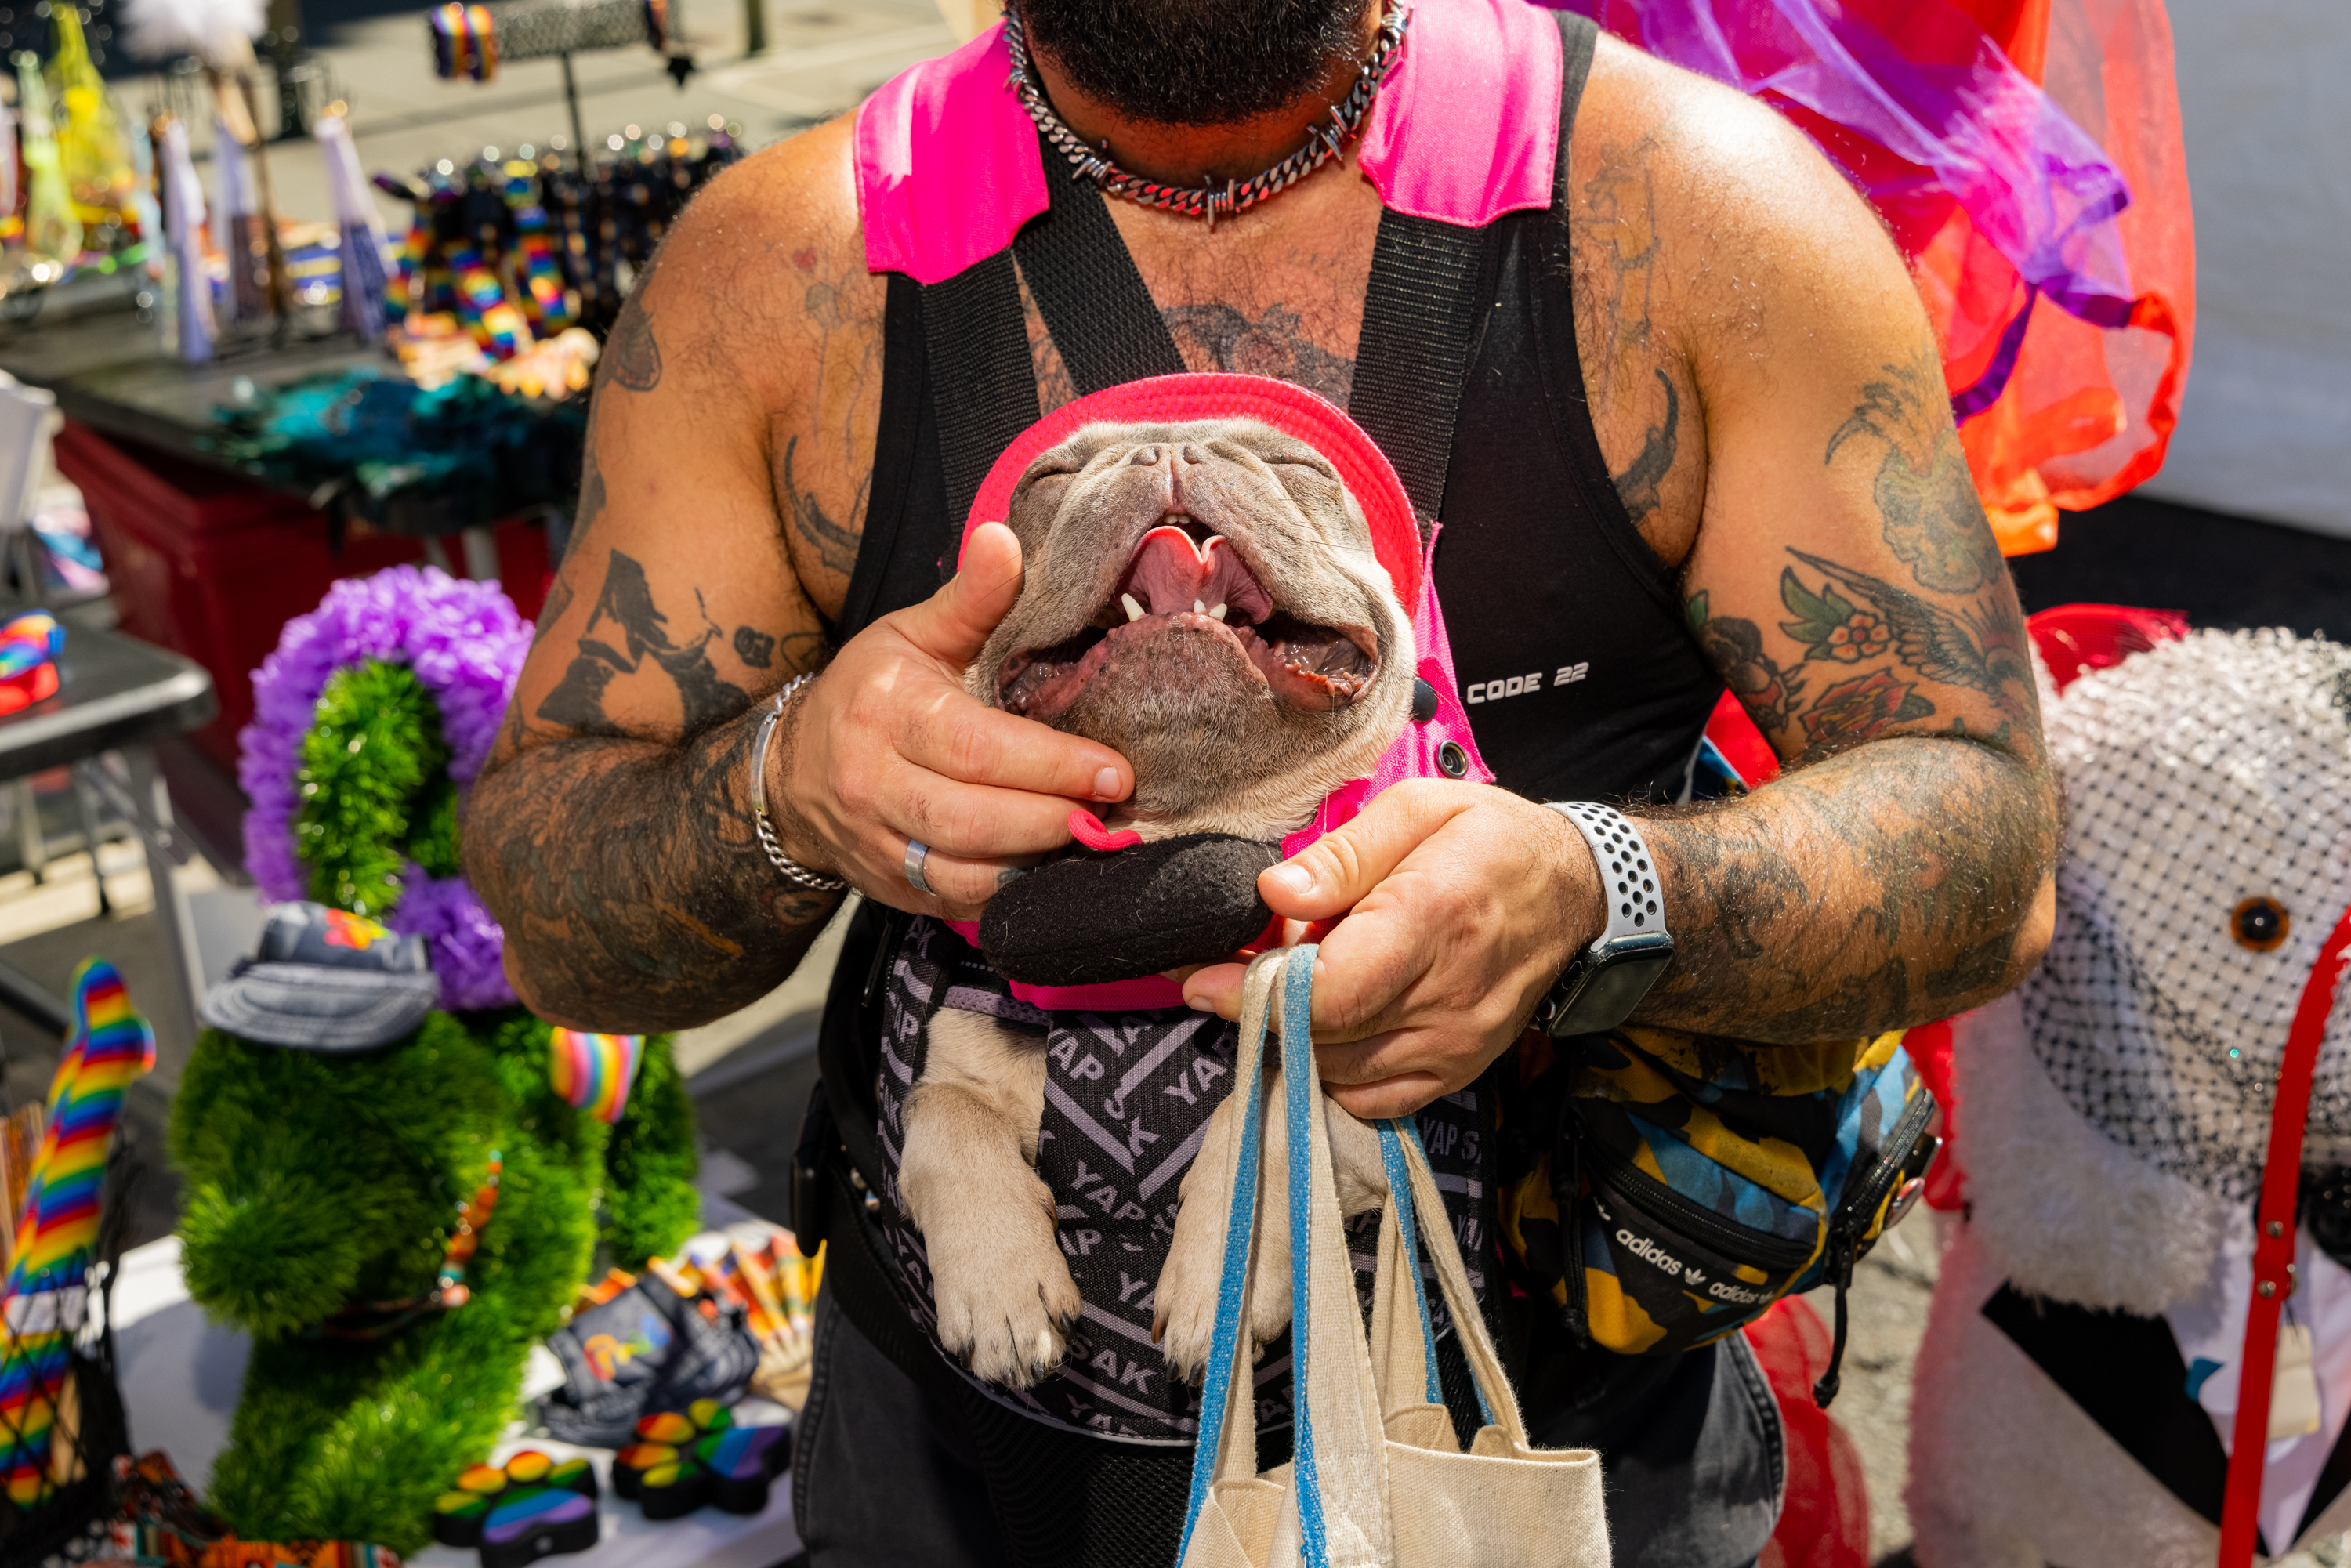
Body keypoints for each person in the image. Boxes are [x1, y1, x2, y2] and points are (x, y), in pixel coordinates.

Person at [465, 0, 2056, 1561]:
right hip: (956, 1457)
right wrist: (787, 783)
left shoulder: (1694, 211)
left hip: (1542, 1461)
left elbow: (1986, 829)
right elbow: (555, 909)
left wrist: (1594, 889)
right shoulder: (780, 272)